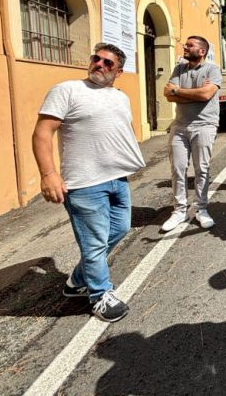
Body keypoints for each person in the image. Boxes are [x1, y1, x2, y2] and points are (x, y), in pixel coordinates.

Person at [32, 43, 145, 323]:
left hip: (117, 179)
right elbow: (42, 133)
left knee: (119, 230)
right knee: (93, 244)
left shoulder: (120, 97)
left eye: (108, 63)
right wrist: (48, 174)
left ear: (118, 72)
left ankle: (76, 281)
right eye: (97, 59)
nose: (99, 65)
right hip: (84, 183)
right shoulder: (67, 90)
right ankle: (99, 295)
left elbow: (122, 131)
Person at [161, 36, 221, 232]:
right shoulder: (179, 69)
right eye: (185, 44)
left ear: (202, 51)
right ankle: (180, 210)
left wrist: (179, 91)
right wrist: (191, 93)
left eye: (190, 45)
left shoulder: (212, 69)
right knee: (177, 169)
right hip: (179, 126)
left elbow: (206, 95)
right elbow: (168, 95)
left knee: (201, 169)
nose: (185, 47)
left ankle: (201, 209)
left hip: (204, 125)